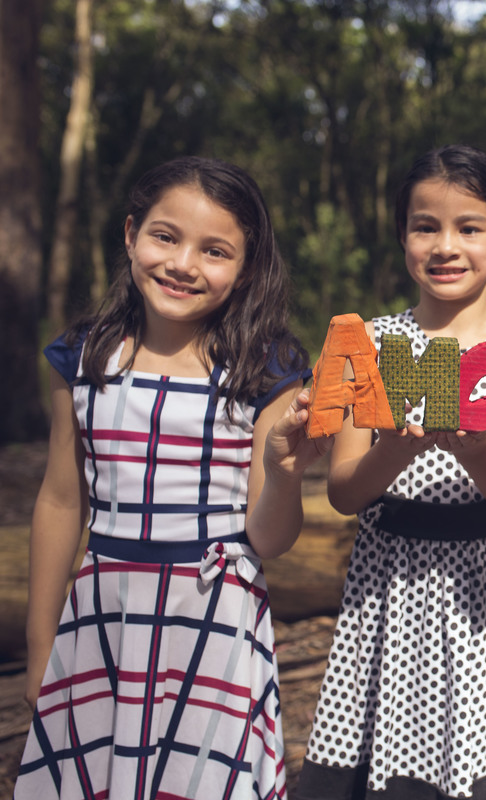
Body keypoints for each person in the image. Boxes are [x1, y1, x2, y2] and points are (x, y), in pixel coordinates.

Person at [17, 156, 327, 798]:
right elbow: (58, 500)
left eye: (215, 251)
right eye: (166, 236)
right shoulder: (80, 357)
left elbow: (268, 539)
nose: (184, 264)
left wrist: (283, 471)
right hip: (103, 620)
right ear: (131, 234)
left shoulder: (267, 368)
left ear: (245, 271)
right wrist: (41, 642)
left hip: (215, 621)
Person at [295, 145, 486, 800]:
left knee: (473, 771)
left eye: (469, 227)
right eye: (424, 225)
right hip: (389, 585)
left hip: (485, 597)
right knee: (386, 773)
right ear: (403, 235)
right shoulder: (367, 344)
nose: (445, 246)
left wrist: (471, 451)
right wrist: (400, 447)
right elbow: (345, 491)